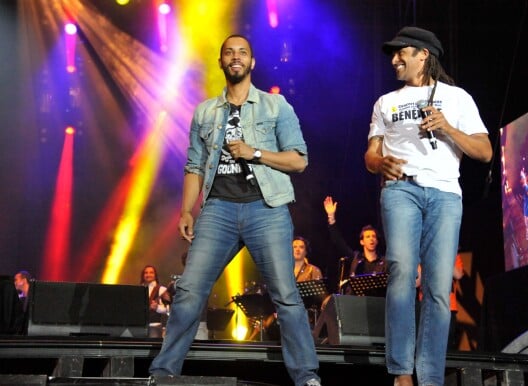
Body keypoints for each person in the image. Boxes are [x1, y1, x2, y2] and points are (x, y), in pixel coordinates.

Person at [149, 34, 321, 386]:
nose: (236, 57)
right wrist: (186, 210)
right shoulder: (205, 112)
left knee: (286, 296)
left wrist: (254, 153)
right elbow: (194, 166)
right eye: (229, 52)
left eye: (243, 52)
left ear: (252, 62)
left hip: (266, 209)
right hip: (218, 211)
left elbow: (299, 160)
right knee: (189, 291)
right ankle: (163, 372)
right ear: (222, 62)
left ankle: (306, 377)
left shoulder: (277, 106)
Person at [364, 26, 492, 386]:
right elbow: (371, 154)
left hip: (445, 195)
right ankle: (402, 372)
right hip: (400, 190)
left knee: (437, 286)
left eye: (400, 53)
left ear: (423, 54)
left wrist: (448, 129)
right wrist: (378, 163)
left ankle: (431, 376)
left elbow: (484, 152)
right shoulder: (385, 102)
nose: (394, 60)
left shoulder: (457, 98)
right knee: (403, 271)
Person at [323, 196, 387, 295]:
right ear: (362, 241)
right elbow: (338, 242)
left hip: (377, 304)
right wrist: (331, 216)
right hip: (355, 303)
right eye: (368, 236)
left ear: (377, 241)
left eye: (374, 236)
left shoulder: (384, 261)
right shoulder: (356, 258)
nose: (371, 239)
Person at [141, 265, 169, 337]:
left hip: (155, 326)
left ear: (155, 275)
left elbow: (168, 309)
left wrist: (157, 308)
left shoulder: (162, 289)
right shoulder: (139, 289)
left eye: (151, 272)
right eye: (146, 273)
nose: (148, 274)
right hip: (140, 327)